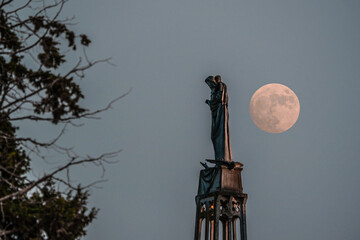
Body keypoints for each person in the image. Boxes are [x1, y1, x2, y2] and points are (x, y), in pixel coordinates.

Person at [205, 75, 232, 162]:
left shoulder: (220, 86)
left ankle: (223, 157)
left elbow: (219, 98)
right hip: (216, 114)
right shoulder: (214, 90)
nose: (209, 86)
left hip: (220, 113)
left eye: (210, 84)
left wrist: (210, 102)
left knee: (220, 134)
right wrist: (210, 103)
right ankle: (219, 156)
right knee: (214, 136)